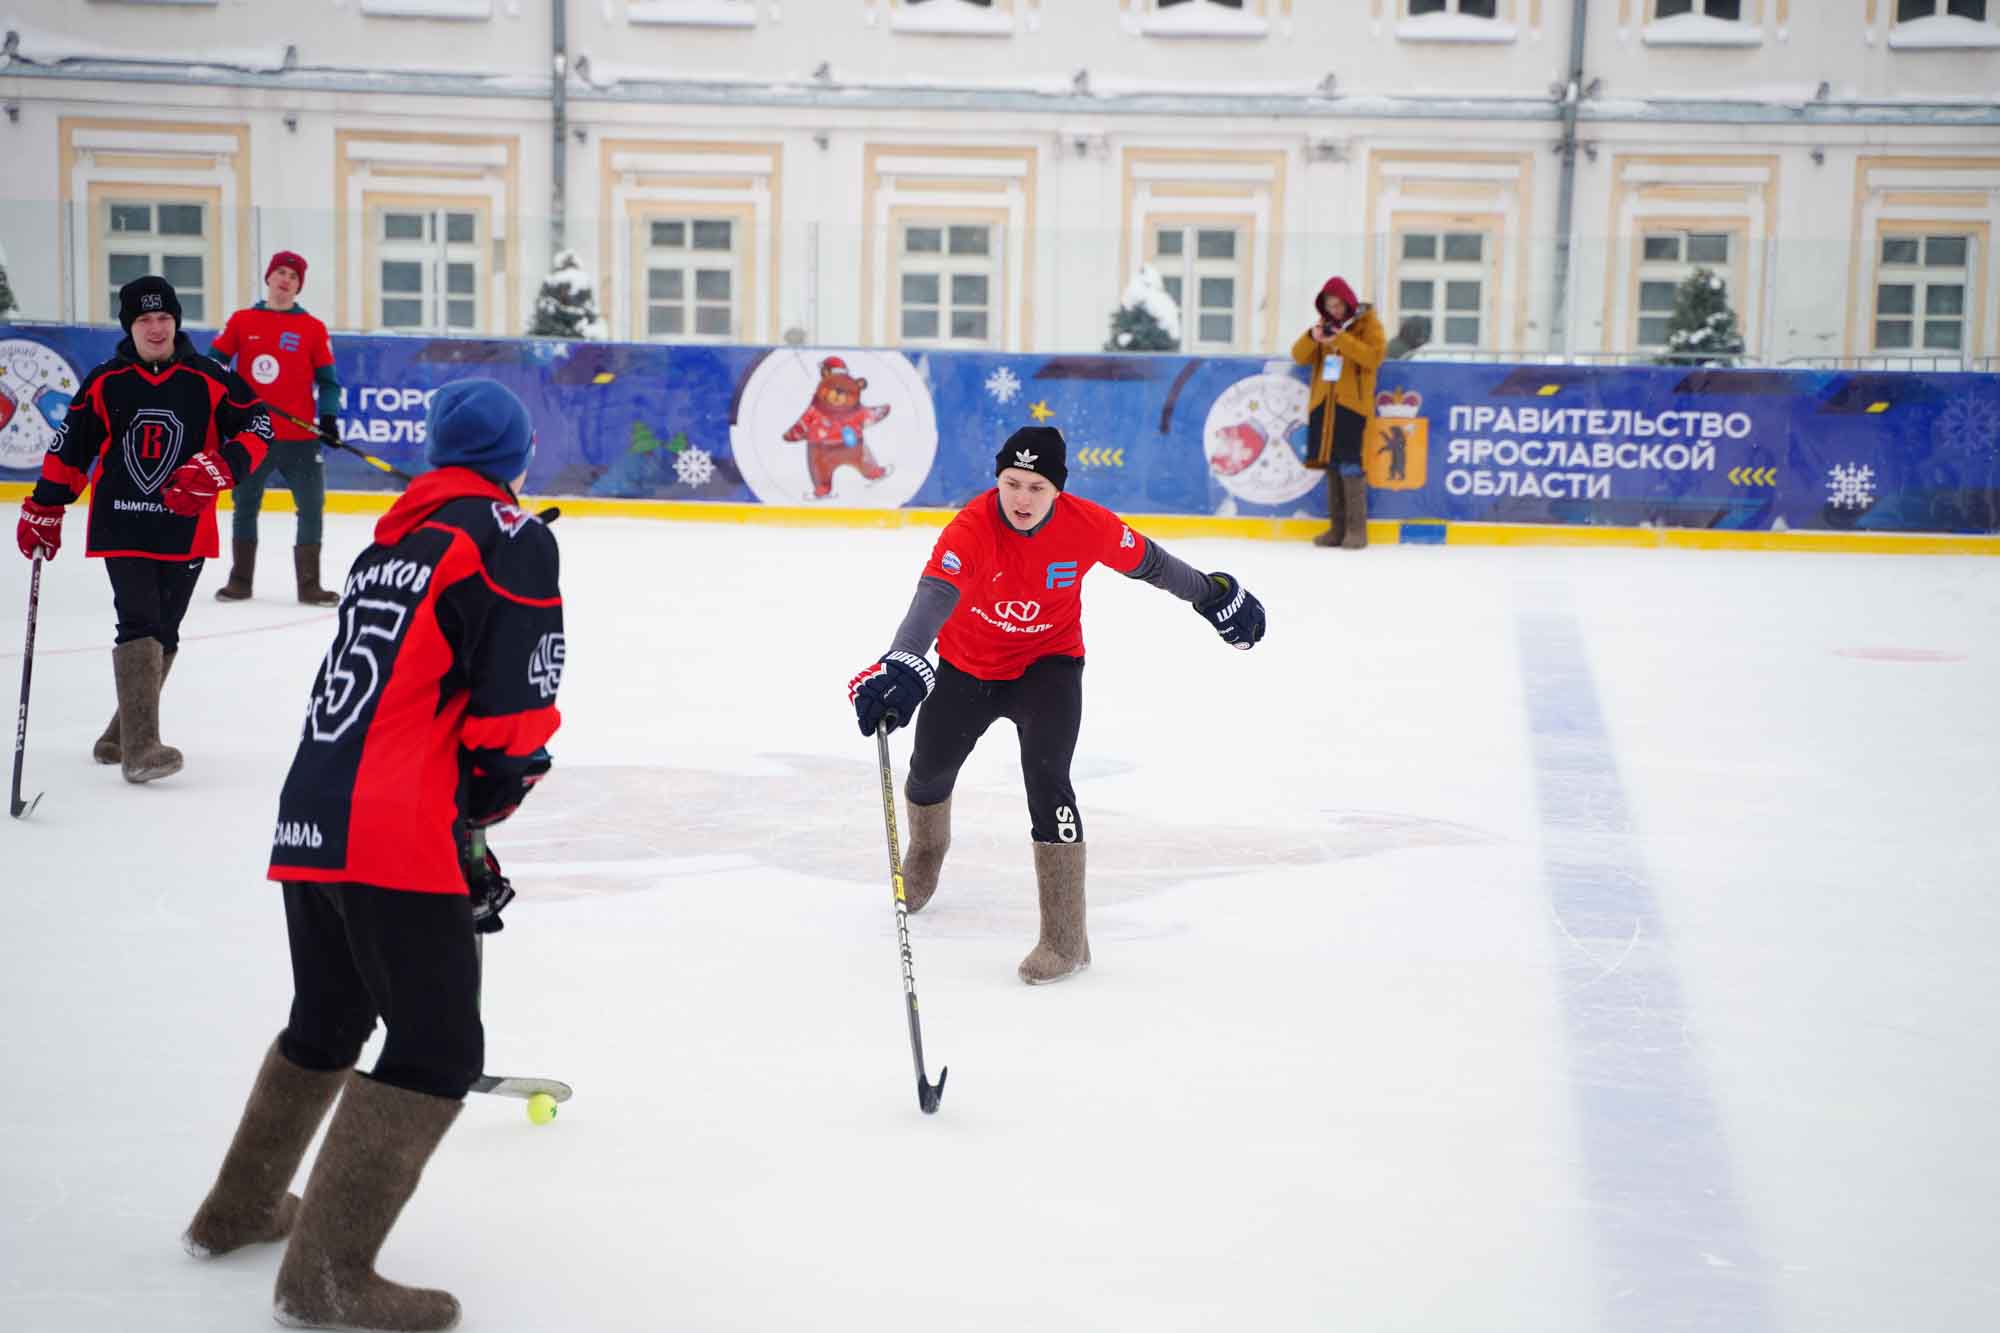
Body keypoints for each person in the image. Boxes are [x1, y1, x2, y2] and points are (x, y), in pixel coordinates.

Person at [181, 380, 564, 1333]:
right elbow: (514, 701)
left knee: (330, 1015)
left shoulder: (393, 536)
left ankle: (240, 1210)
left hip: (313, 808)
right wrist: (493, 796)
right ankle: (326, 1279)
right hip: (394, 824)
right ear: (516, 455)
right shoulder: (509, 536)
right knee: (438, 1048)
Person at [847, 425, 1265, 985]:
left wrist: (1212, 595)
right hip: (967, 667)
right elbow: (933, 598)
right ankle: (925, 855)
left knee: (1049, 782)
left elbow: (1156, 565)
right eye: (1011, 483)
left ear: (1058, 490)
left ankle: (1065, 939)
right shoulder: (970, 529)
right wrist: (901, 661)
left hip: (1050, 668)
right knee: (928, 773)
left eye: (1036, 487)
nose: (1021, 499)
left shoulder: (1086, 525)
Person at [13, 274, 271, 782]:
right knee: (137, 621)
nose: (156, 328)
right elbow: (71, 449)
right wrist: (46, 505)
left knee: (166, 630)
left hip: (185, 527)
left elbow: (258, 425)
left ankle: (120, 734)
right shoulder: (106, 381)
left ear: (176, 321)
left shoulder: (211, 377)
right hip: (122, 524)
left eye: (164, 318)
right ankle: (142, 750)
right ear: (129, 326)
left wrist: (222, 468)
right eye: (144, 320)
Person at [209, 250, 343, 605]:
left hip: (300, 440)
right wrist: (229, 393)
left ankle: (310, 585)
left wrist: (328, 419)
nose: (285, 279)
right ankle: (240, 581)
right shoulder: (242, 321)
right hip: (253, 435)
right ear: (269, 277)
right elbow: (212, 367)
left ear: (299, 286)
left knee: (312, 507)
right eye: (280, 272)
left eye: (293, 276)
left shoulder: (312, 328)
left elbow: (329, 383)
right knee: (245, 505)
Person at [1291, 276, 1385, 550]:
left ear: (1348, 302)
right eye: (1329, 305)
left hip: (1351, 407)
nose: (1334, 310)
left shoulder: (1368, 324)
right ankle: (1337, 529)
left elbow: (1373, 357)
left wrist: (1341, 339)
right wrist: (1313, 337)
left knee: (1350, 466)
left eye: (1338, 304)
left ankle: (1357, 531)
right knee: (1331, 467)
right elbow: (1299, 355)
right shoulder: (1323, 326)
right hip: (1324, 407)